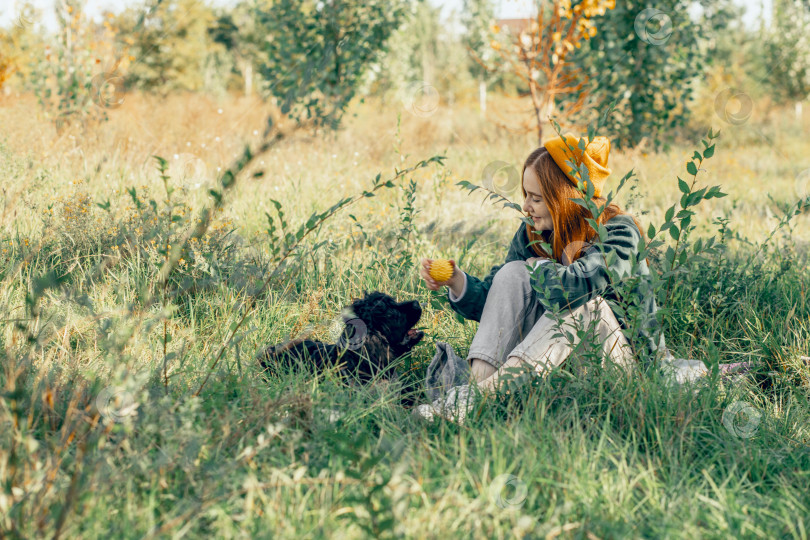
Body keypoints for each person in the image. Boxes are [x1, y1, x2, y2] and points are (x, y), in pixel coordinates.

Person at [414, 133, 705, 424]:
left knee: (584, 306)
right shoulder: (535, 232)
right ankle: (471, 394)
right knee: (513, 273)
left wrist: (540, 267)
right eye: (525, 195)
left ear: (564, 199)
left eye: (536, 198)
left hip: (623, 370)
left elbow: (572, 290)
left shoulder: (619, 233)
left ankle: (477, 399)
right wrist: (457, 281)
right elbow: (498, 302)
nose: (526, 207)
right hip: (551, 361)